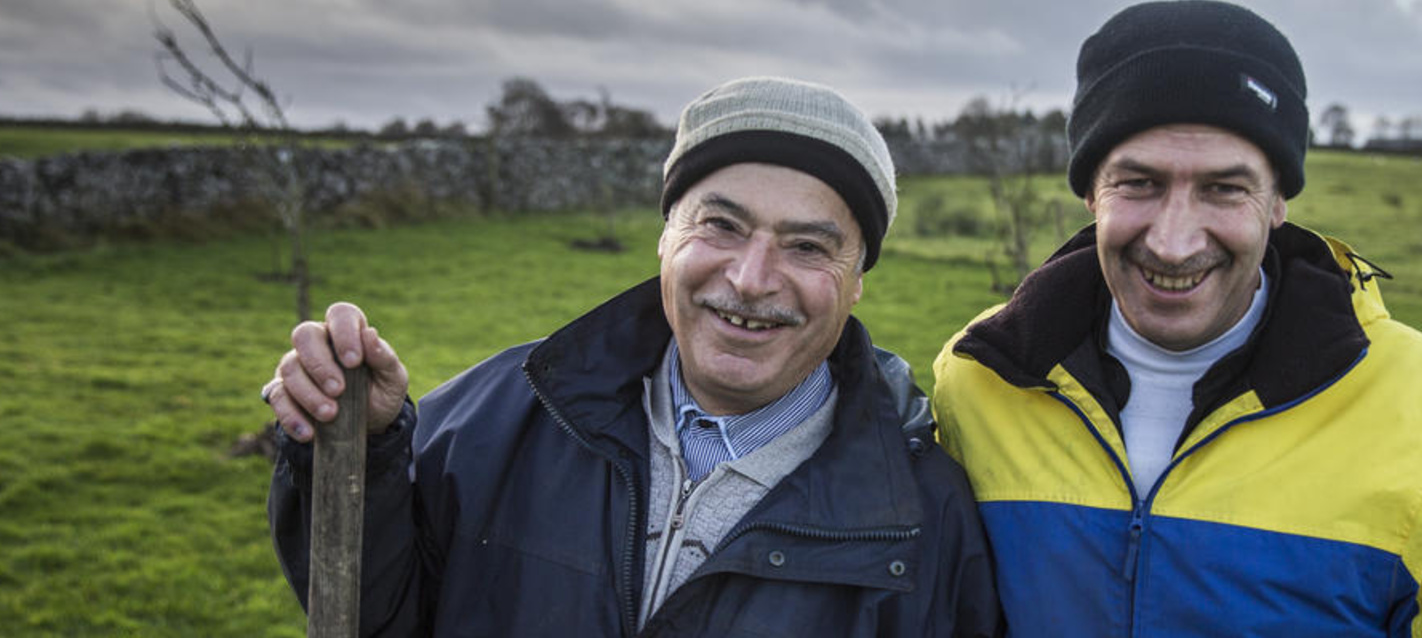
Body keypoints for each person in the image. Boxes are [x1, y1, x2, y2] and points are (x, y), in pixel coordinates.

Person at [262, 76, 1001, 637]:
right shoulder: (501, 412)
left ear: (857, 281)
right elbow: (381, 615)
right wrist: (362, 454)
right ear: (666, 238)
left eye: (808, 246)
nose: (750, 277)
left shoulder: (923, 518)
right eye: (721, 224)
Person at [930, 0, 1422, 636]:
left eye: (1224, 188)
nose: (1173, 242)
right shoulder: (979, 382)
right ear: (1091, 192)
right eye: (1139, 183)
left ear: (1279, 200)